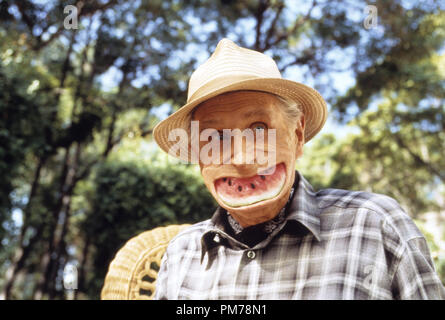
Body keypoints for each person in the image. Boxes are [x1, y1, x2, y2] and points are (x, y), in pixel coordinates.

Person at [152, 38, 445, 299]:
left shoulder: (376, 225)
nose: (241, 158)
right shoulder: (180, 256)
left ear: (297, 134)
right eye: (215, 137)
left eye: (258, 127)